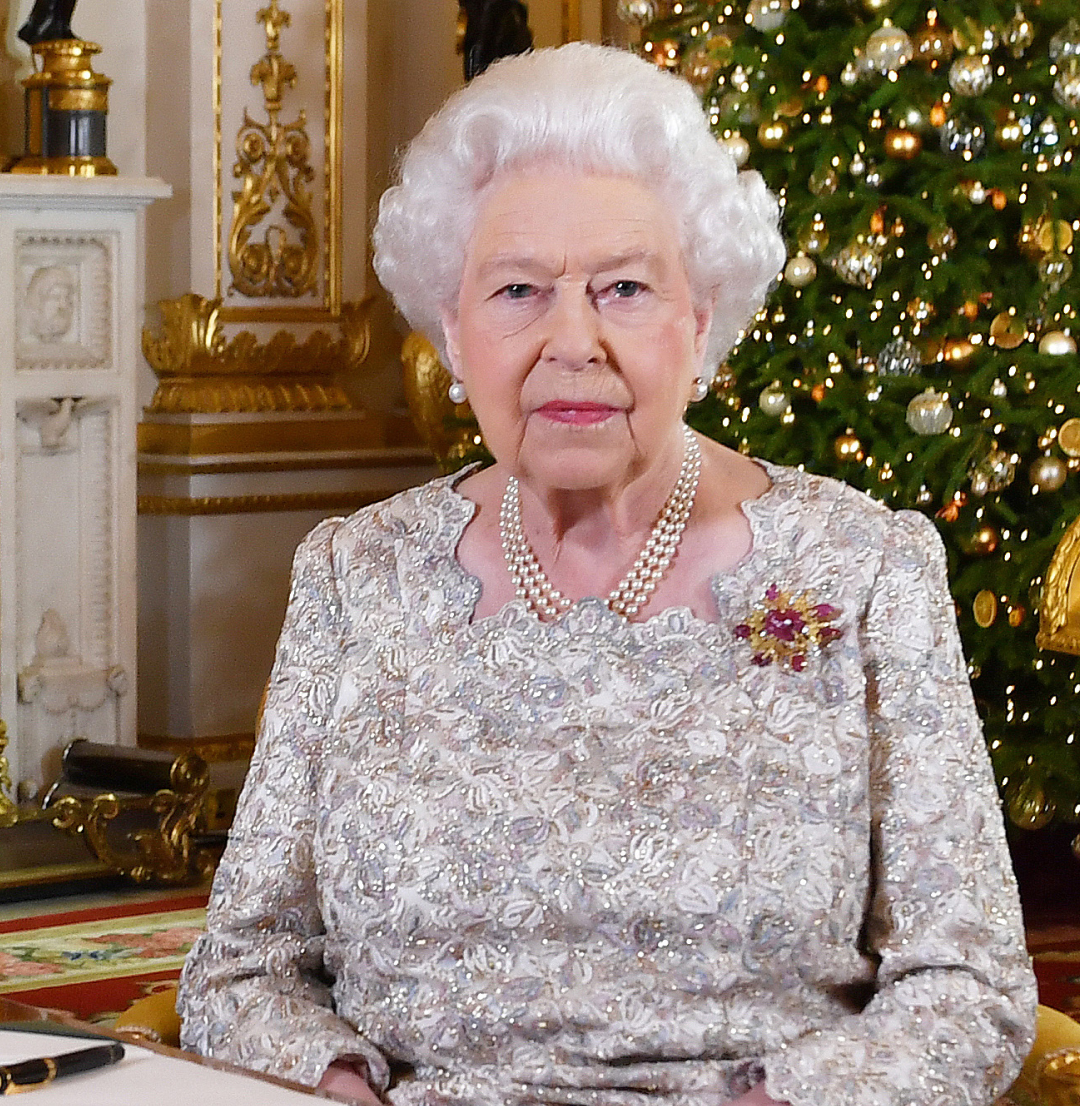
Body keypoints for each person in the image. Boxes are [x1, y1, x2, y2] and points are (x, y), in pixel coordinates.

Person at [178, 43, 1037, 1106]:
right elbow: (240, 969)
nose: (569, 338)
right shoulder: (355, 574)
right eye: (518, 290)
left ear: (700, 318)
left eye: (624, 287)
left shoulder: (864, 569)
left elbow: (973, 985)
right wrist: (343, 1090)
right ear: (453, 328)